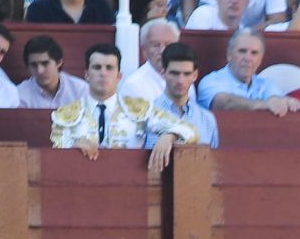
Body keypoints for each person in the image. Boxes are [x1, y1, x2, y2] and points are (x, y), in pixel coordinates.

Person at [50, 43, 199, 172]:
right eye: (97, 67)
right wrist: (73, 146)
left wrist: (169, 136)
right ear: (87, 75)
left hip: (132, 183)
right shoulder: (66, 114)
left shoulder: (139, 109)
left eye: (109, 68)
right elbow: (56, 154)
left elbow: (190, 132)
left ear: (119, 76)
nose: (103, 73)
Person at [198, 26, 300, 115]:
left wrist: (285, 102)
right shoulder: (210, 81)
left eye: (254, 53)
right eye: (242, 51)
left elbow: (276, 99)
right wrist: (263, 104)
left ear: (260, 59)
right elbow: (224, 103)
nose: (248, 58)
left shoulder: (266, 84)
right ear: (229, 55)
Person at [152, 42, 218, 147]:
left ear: (195, 75)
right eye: (174, 73)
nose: (180, 80)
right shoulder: (147, 114)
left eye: (187, 74)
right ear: (163, 73)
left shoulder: (207, 119)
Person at [16, 33, 88, 107]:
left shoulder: (80, 90)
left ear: (59, 62)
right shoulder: (19, 94)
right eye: (34, 65)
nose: (39, 71)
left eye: (45, 63)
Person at [118, 17, 179, 101]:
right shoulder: (134, 86)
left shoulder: (185, 78)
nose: (162, 51)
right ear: (144, 51)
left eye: (168, 45)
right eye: (156, 45)